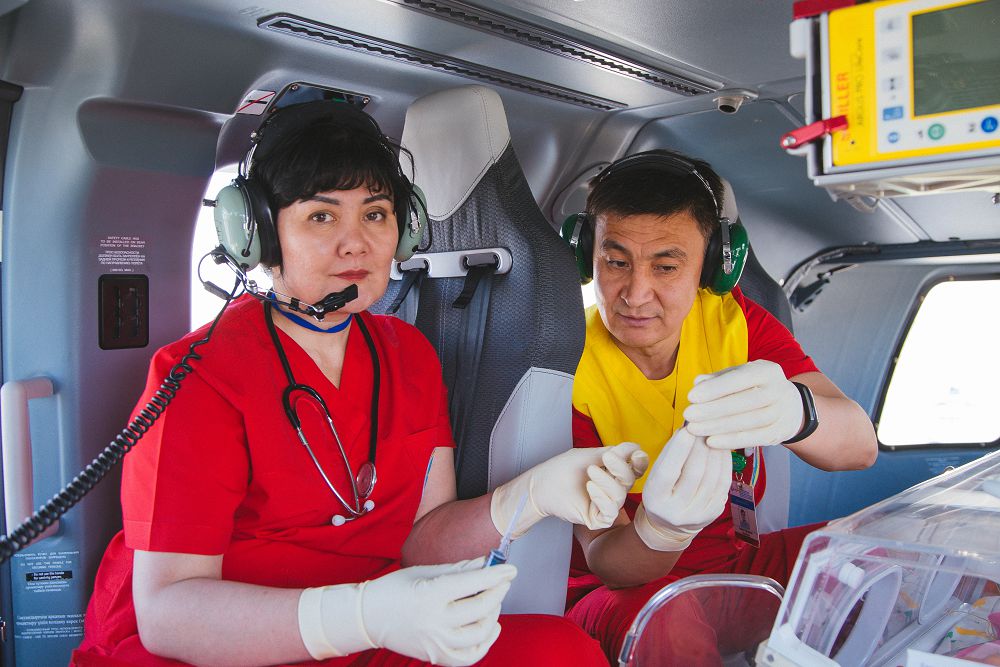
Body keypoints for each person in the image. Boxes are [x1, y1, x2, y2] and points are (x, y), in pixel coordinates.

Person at [72, 101, 647, 667]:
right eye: (321, 217)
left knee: (559, 652)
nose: (357, 243)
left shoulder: (408, 355)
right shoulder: (198, 376)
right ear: (260, 235)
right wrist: (359, 616)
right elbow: (169, 613)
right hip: (227, 645)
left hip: (376, 630)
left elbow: (423, 539)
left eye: (375, 214)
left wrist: (533, 495)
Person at [562, 149, 878, 664]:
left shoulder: (736, 325)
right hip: (625, 592)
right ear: (584, 255)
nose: (635, 294)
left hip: (736, 568)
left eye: (666, 267)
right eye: (616, 262)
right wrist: (663, 531)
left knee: (868, 557)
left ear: (713, 266)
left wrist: (798, 412)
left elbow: (859, 448)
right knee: (666, 619)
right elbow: (607, 562)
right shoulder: (568, 361)